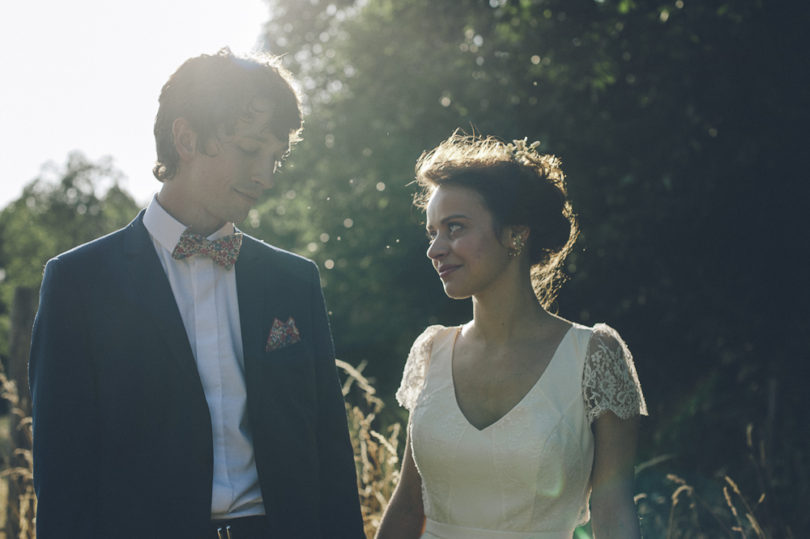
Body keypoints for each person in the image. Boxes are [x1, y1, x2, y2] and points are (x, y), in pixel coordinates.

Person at [29, 49, 364, 539]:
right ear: (186, 138)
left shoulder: (295, 281)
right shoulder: (78, 283)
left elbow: (331, 457)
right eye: (250, 150)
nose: (265, 176)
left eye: (275, 157)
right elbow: (62, 475)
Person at [376, 132, 648, 539]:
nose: (435, 248)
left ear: (515, 235)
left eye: (454, 228)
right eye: (432, 232)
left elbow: (613, 511)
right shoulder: (431, 351)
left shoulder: (593, 356)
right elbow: (407, 505)